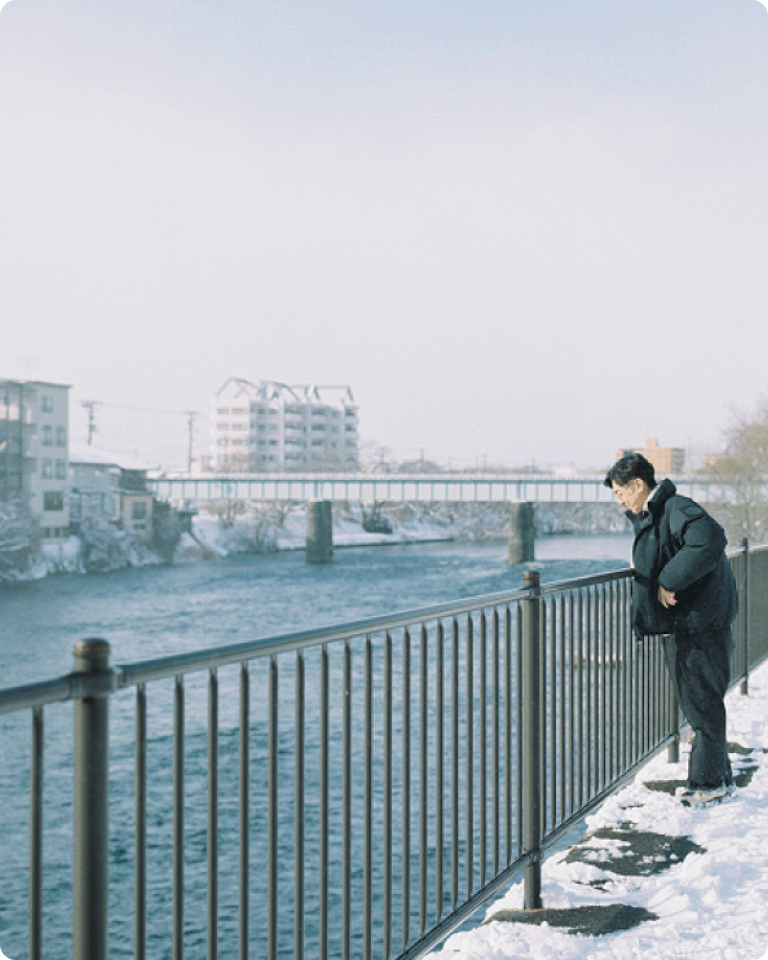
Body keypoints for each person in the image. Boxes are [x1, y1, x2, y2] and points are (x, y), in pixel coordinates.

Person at [604, 452, 738, 803]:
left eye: (620, 492)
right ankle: (719, 778)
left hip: (698, 626)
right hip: (694, 624)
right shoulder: (661, 511)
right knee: (704, 704)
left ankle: (708, 786)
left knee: (702, 706)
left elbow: (710, 539)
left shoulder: (675, 507)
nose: (619, 501)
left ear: (638, 484)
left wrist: (668, 580)